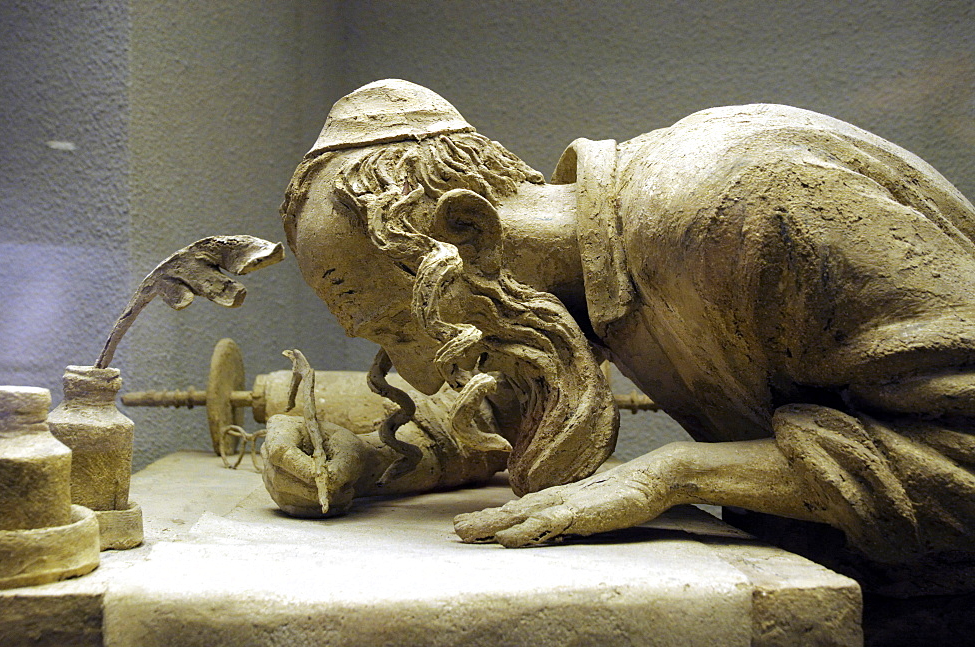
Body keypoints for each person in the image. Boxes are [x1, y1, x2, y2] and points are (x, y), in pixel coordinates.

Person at [264, 79, 975, 567]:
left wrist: (676, 473)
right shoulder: (587, 273)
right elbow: (520, 409)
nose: (416, 373)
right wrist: (368, 458)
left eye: (398, 327)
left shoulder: (742, 207)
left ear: (470, 228)